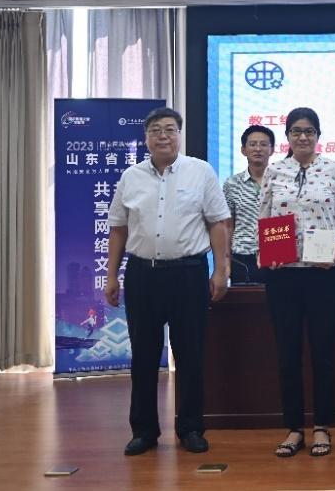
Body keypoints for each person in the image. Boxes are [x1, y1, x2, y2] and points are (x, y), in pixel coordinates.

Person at [105, 107, 230, 456]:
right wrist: (111, 275)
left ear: (179, 135)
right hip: (142, 274)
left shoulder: (200, 172)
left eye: (170, 129)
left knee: (190, 354)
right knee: (144, 356)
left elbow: (218, 223)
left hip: (188, 274)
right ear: (146, 137)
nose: (163, 136)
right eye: (156, 130)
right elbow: (118, 229)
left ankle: (190, 428)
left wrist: (221, 270)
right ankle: (144, 431)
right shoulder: (131, 177)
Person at [258, 107, 335, 458]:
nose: (302, 137)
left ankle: (322, 426)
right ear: (287, 136)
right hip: (282, 274)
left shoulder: (334, 170)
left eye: (309, 131)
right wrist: (266, 252)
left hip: (323, 273)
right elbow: (264, 218)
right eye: (296, 131)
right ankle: (294, 428)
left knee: (323, 352)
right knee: (288, 354)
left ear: (318, 135)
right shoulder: (274, 171)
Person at [223, 125, 275, 284]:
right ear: (243, 150)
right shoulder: (232, 183)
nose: (258, 149)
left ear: (272, 150)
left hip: (276, 256)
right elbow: (227, 226)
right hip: (242, 258)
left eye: (263, 144)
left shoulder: (281, 182)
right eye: (252, 144)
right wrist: (225, 262)